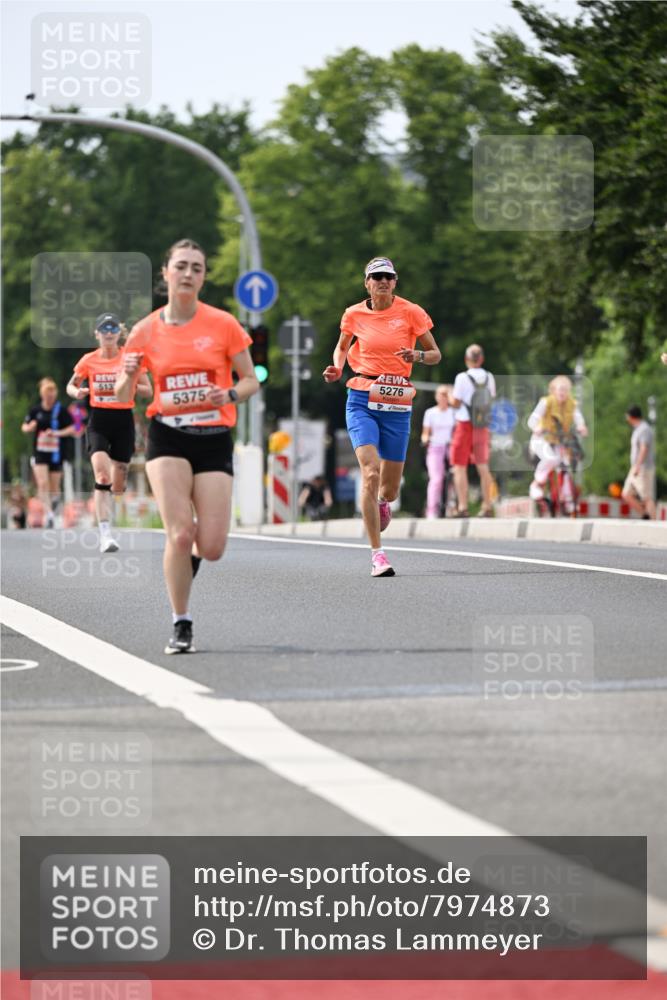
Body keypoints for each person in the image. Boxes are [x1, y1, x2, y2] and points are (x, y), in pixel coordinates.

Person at [116, 238, 260, 653]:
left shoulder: (223, 324)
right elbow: (128, 393)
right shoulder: (144, 331)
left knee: (211, 546)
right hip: (167, 435)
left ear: (203, 278)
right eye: (181, 266)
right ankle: (181, 622)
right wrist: (127, 373)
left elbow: (251, 379)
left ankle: (189, 561)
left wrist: (229, 395)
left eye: (197, 268)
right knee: (180, 535)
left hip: (213, 437)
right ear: (166, 273)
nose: (188, 273)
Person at [323, 256, 441, 577]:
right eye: (377, 277)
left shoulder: (411, 312)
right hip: (361, 396)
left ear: (395, 282)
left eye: (388, 277)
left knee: (389, 488)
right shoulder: (353, 314)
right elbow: (342, 347)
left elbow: (435, 354)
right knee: (370, 471)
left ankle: (383, 502)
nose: (383, 282)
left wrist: (415, 354)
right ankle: (377, 555)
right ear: (367, 283)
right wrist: (336, 366)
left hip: (397, 401)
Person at [67, 312, 152, 553]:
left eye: (112, 328)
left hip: (123, 421)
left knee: (117, 481)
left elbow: (148, 390)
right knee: (102, 477)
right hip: (98, 421)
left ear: (118, 333)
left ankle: (110, 514)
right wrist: (77, 393)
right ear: (97, 334)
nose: (108, 333)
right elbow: (71, 384)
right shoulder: (88, 360)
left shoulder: (131, 358)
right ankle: (105, 534)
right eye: (103, 329)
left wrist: (129, 382)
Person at [21, 377, 76, 527]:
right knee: (43, 484)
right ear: (42, 394)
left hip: (57, 453)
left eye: (52, 394)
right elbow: (24, 427)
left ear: (55, 394)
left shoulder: (61, 411)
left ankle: (53, 507)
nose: (50, 397)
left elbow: (72, 428)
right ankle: (49, 514)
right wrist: (30, 427)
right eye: (47, 394)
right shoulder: (35, 410)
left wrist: (57, 433)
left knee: (54, 487)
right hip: (40, 452)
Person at [448, 345, 496, 517]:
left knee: (459, 466)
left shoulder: (462, 377)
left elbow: (456, 403)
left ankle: (462, 506)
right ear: (482, 359)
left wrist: (448, 395)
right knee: (483, 466)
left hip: (464, 424)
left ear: (466, 359)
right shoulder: (489, 377)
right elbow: (491, 399)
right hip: (481, 425)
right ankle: (487, 505)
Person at [527, 375, 588, 510]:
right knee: (551, 459)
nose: (563, 393)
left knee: (566, 466)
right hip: (541, 439)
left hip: (559, 440)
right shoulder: (546, 402)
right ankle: (537, 484)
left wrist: (582, 427)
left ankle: (567, 500)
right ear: (553, 390)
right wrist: (537, 428)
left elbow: (578, 418)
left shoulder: (572, 404)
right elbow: (532, 420)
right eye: (560, 390)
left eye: (566, 390)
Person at [421, 384, 456, 518]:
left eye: (445, 395)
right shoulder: (430, 413)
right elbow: (425, 433)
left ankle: (452, 506)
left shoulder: (453, 413)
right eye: (440, 394)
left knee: (455, 476)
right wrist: (425, 439)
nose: (442, 397)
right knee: (436, 479)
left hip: (450, 446)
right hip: (435, 446)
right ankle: (432, 509)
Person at [622, 405, 656, 519]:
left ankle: (654, 523)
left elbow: (643, 448)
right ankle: (645, 515)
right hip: (635, 467)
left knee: (646, 497)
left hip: (643, 468)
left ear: (632, 416)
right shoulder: (638, 429)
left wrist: (638, 465)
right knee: (626, 494)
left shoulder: (644, 429)